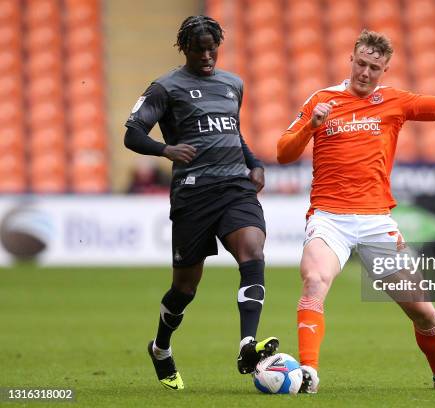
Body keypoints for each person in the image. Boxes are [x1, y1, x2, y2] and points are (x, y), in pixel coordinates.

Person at [277, 22, 435, 393]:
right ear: (351, 59)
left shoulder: (394, 101)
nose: (365, 72)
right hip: (329, 218)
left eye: (374, 68)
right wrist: (310, 127)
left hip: (377, 221)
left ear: (384, 70)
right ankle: (309, 373)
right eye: (360, 63)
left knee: (422, 310)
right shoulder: (321, 101)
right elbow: (283, 153)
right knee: (314, 281)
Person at [124, 15, 278, 391]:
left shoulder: (232, 84)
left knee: (253, 253)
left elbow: (231, 130)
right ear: (185, 49)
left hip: (234, 188)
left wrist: (254, 163)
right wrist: (166, 149)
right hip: (193, 194)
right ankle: (161, 348)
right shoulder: (165, 87)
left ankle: (247, 343)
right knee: (185, 289)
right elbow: (132, 133)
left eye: (213, 48)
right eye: (199, 49)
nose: (208, 56)